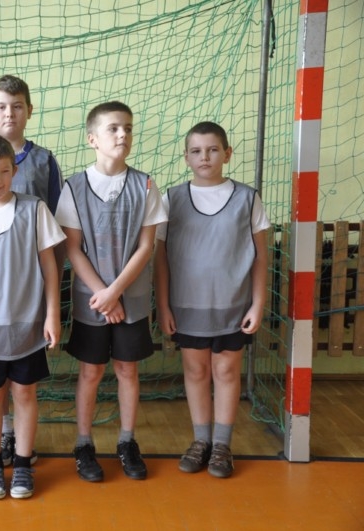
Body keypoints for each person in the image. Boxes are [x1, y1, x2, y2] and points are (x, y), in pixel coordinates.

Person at [54, 101, 166, 482]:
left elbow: (146, 247)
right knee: (91, 371)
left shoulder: (145, 185)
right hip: (92, 299)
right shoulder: (74, 187)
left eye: (128, 128)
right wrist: (103, 295)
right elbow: (73, 249)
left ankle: (127, 441)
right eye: (114, 128)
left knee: (127, 370)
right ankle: (83, 443)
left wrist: (115, 292)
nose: (123, 135)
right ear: (93, 139)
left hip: (129, 298)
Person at [0, 74, 64, 467]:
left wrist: (53, 311)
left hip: (27, 307)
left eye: (16, 106)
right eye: (1, 106)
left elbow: (50, 254)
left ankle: (21, 458)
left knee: (24, 391)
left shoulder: (38, 191)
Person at [154, 121, 269, 479]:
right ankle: (201, 440)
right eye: (196, 151)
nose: (205, 157)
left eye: (213, 150)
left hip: (233, 306)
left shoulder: (247, 198)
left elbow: (260, 257)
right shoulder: (172, 198)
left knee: (226, 371)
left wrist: (258, 304)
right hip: (188, 307)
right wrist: (163, 306)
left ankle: (222, 445)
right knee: (196, 371)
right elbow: (160, 258)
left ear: (227, 154)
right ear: (186, 157)